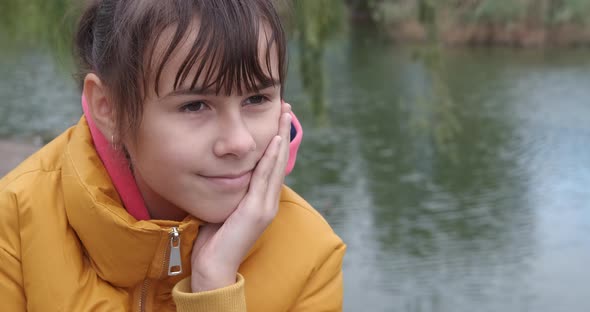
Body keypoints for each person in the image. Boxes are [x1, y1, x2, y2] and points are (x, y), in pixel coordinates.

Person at [0, 0, 346, 311]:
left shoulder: (311, 257)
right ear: (109, 109)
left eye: (256, 99)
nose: (239, 143)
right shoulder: (17, 222)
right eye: (195, 105)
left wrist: (215, 286)